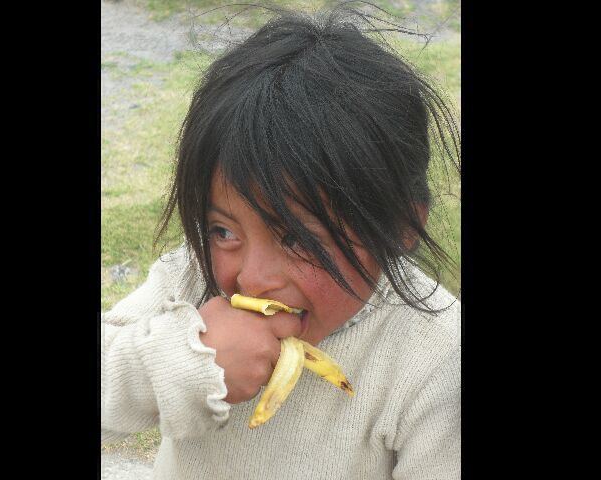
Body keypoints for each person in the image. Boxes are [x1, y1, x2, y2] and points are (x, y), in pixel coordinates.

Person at [102, 6, 461, 480]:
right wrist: (180, 363)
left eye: (295, 237)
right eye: (223, 231)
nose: (249, 277)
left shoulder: (438, 356)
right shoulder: (190, 280)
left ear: (400, 228)